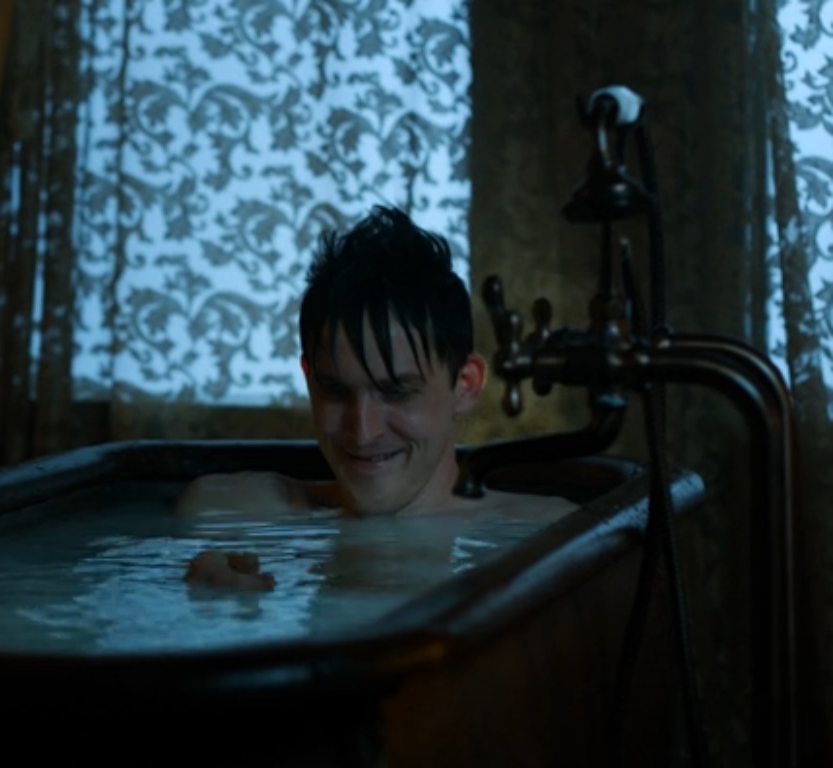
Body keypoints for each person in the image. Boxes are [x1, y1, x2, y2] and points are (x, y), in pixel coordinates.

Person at [177, 205, 574, 590]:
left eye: (396, 392)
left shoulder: (550, 536)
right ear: (309, 380)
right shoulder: (228, 515)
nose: (363, 432)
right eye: (335, 391)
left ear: (465, 385)